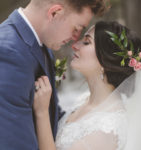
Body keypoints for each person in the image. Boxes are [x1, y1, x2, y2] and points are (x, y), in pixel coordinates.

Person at [0, 0, 107, 149]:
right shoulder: (8, 54)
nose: (76, 39)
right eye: (76, 28)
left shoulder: (42, 44)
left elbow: (52, 117)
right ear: (54, 13)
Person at [33, 21, 141, 150]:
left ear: (105, 60)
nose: (75, 46)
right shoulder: (83, 99)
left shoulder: (106, 128)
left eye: (87, 42)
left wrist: (42, 113)